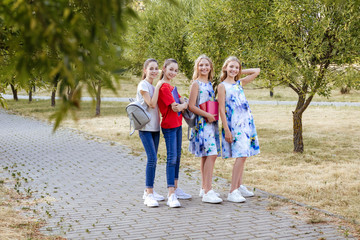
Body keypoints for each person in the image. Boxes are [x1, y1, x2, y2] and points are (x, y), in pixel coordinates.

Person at [217, 56, 260, 203]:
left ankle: (239, 185)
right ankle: (232, 191)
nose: (234, 70)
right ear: (225, 68)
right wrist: (227, 129)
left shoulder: (239, 83)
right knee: (240, 155)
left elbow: (256, 71)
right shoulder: (222, 86)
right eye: (231, 67)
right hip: (234, 125)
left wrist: (240, 71)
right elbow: (221, 110)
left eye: (236, 67)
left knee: (245, 155)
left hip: (246, 123)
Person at [157, 58, 192, 208]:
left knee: (177, 157)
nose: (173, 72)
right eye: (171, 69)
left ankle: (176, 189)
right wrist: (185, 104)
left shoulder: (171, 87)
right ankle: (171, 193)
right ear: (164, 69)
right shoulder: (164, 87)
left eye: (176, 70)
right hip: (169, 126)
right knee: (172, 158)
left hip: (177, 125)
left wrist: (182, 102)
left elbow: (178, 105)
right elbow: (175, 108)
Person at [188, 55, 222, 204]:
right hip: (202, 123)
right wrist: (207, 114)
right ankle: (208, 191)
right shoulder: (196, 84)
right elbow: (191, 106)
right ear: (197, 67)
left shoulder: (209, 83)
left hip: (211, 123)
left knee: (205, 156)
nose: (204, 68)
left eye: (206, 65)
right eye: (201, 65)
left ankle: (204, 187)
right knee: (212, 154)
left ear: (210, 67)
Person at [137, 58, 165, 207]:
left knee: (154, 160)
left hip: (155, 127)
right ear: (145, 70)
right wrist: (159, 86)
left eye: (156, 68)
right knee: (152, 159)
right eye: (151, 68)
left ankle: (150, 191)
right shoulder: (143, 85)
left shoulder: (153, 86)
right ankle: (148, 193)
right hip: (145, 128)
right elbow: (152, 104)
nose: (154, 71)